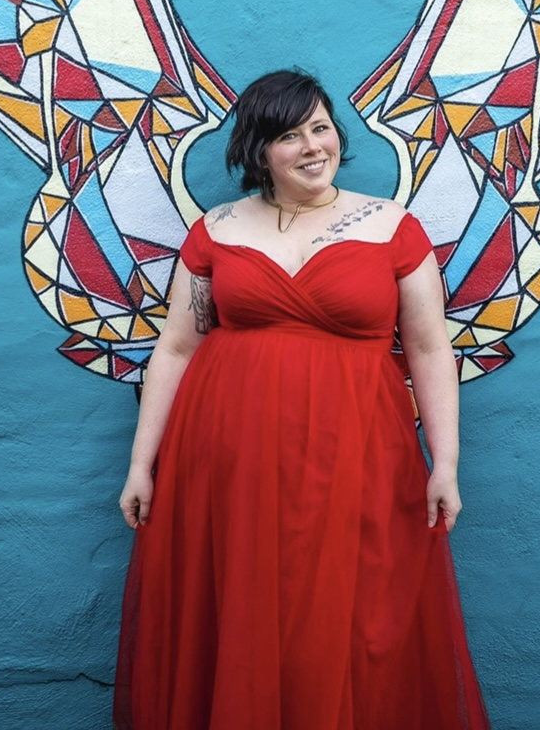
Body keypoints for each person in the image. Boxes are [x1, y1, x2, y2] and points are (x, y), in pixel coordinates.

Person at [113, 70, 490, 730]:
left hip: (358, 454)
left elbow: (431, 349)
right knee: (239, 609)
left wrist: (446, 464)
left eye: (321, 128)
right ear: (259, 151)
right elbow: (175, 348)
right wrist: (141, 465)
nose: (314, 146)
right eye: (291, 135)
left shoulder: (392, 228)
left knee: (352, 612)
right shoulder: (217, 229)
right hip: (229, 465)